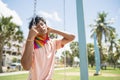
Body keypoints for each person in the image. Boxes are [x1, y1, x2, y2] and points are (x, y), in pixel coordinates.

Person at [21, 15, 75, 80]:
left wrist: (53, 30)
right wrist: (30, 38)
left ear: (46, 26)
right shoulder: (29, 44)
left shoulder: (52, 43)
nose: (41, 27)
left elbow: (72, 37)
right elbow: (26, 66)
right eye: (37, 27)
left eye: (42, 24)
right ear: (33, 30)